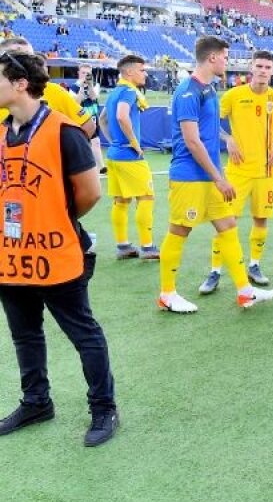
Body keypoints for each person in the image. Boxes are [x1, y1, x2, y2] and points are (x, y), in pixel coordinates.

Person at [0, 51, 118, 446]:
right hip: (12, 256)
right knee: (25, 335)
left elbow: (89, 194)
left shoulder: (65, 131)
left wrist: (55, 220)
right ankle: (36, 402)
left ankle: (104, 409)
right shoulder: (2, 132)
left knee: (83, 333)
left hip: (59, 252)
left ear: (20, 84)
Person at [156, 36, 273, 314]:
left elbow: (211, 137)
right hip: (189, 176)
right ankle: (167, 294)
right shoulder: (188, 91)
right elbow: (192, 141)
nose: (228, 61)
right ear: (212, 58)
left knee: (228, 227)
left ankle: (245, 291)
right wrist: (219, 177)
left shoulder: (210, 90)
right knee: (180, 230)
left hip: (209, 176)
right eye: (225, 57)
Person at [198, 50, 273, 294]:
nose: (263, 71)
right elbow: (209, 123)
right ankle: (215, 271)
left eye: (268, 67)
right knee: (226, 221)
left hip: (266, 172)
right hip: (238, 172)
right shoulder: (234, 95)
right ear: (251, 69)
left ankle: (254, 265)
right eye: (259, 66)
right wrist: (228, 138)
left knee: (261, 219)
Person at [98, 54, 159, 261]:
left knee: (121, 200)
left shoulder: (115, 92)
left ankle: (123, 246)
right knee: (146, 197)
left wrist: (114, 141)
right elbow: (121, 116)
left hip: (115, 155)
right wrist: (133, 143)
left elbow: (102, 119)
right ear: (130, 72)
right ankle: (148, 247)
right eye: (142, 70)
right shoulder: (128, 92)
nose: (145, 74)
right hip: (129, 156)